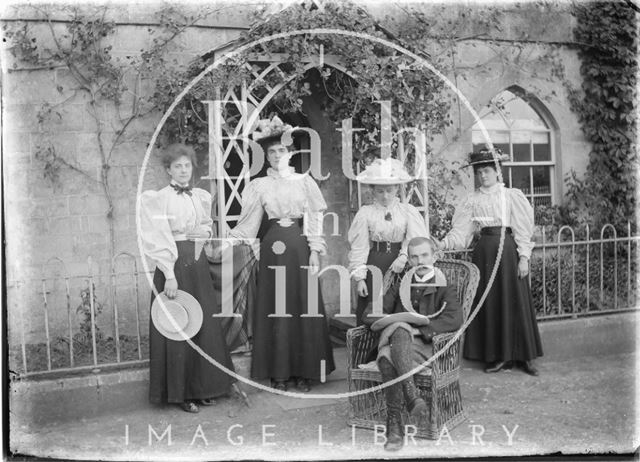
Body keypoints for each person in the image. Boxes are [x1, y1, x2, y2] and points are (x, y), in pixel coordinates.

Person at [226, 116, 335, 392]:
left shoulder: (303, 182)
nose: (276, 156)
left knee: (304, 305)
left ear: (290, 153)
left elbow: (313, 218)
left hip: (299, 248)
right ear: (266, 155)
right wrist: (226, 242)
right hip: (273, 250)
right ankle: (280, 373)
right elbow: (248, 224)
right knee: (278, 309)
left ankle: (305, 372)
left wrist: (315, 250)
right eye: (272, 152)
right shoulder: (259, 185)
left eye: (281, 151)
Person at [139, 143, 235, 413]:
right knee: (178, 327)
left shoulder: (199, 197)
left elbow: (204, 225)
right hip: (175, 266)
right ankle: (181, 394)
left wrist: (202, 235)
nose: (183, 171)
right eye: (177, 166)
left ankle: (203, 387)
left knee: (201, 324)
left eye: (187, 166)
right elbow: (158, 238)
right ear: (168, 169)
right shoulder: (159, 199)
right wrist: (169, 275)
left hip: (197, 264)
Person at [436, 147, 543, 375]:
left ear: (497, 172)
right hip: (484, 252)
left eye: (487, 171)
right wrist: (443, 245)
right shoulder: (472, 200)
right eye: (479, 172)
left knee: (515, 301)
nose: (483, 176)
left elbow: (523, 229)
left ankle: (525, 357)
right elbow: (461, 231)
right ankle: (498, 357)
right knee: (491, 303)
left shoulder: (510, 196)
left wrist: (524, 257)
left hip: (508, 252)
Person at [361, 236, 463, 451]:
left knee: (391, 349)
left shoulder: (444, 286)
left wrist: (418, 329)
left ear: (434, 257)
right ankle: (409, 399)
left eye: (425, 255)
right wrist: (393, 321)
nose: (420, 261)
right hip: (399, 347)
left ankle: (395, 424)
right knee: (395, 337)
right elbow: (369, 313)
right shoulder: (400, 285)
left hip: (429, 346)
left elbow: (454, 319)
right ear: (409, 261)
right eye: (414, 257)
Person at [348, 157, 428, 325]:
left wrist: (404, 256)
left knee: (398, 306)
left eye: (389, 191)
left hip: (401, 265)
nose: (385, 196)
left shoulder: (407, 211)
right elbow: (359, 247)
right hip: (375, 264)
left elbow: (415, 239)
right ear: (372, 190)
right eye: (380, 191)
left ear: (397, 189)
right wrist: (360, 278)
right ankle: (370, 350)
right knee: (374, 308)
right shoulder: (365, 213)